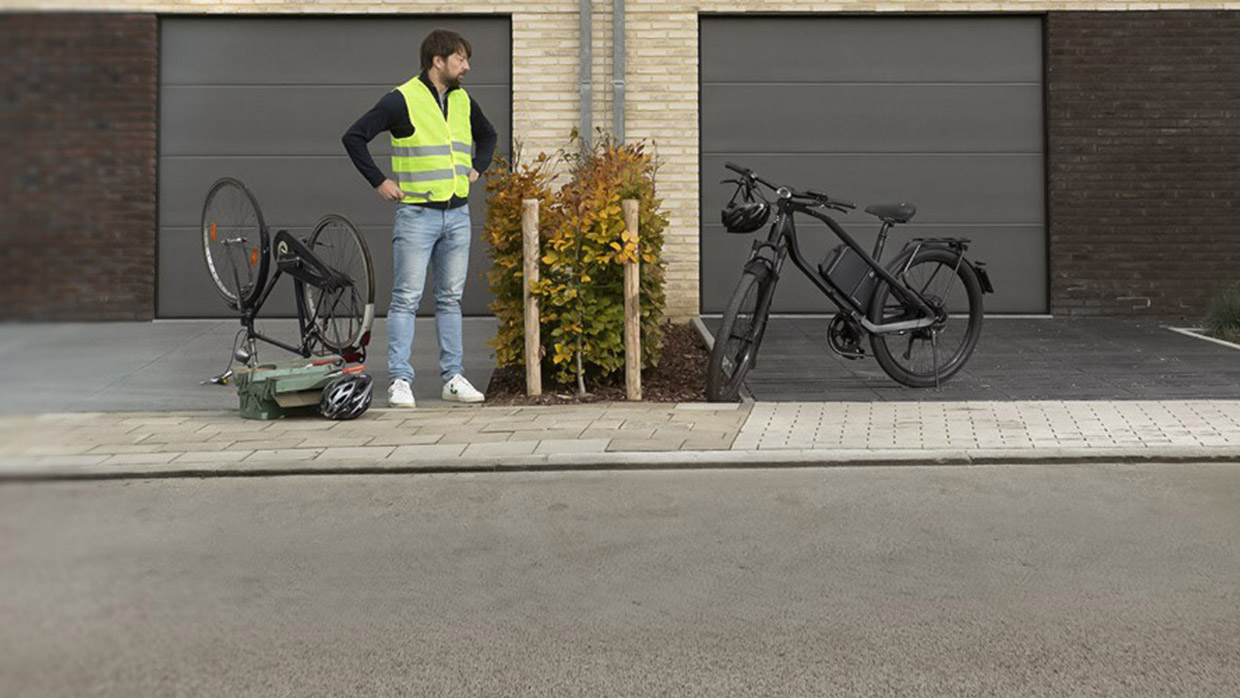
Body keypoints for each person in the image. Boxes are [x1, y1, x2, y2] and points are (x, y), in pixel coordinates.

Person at [342, 29, 498, 407]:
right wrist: (379, 181)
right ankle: (400, 379)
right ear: (438, 61)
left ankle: (453, 378)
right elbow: (354, 136)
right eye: (460, 59)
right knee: (406, 300)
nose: (467, 66)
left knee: (449, 299)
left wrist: (477, 169)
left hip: (457, 214)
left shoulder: (462, 101)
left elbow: (488, 136)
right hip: (416, 216)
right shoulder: (402, 99)